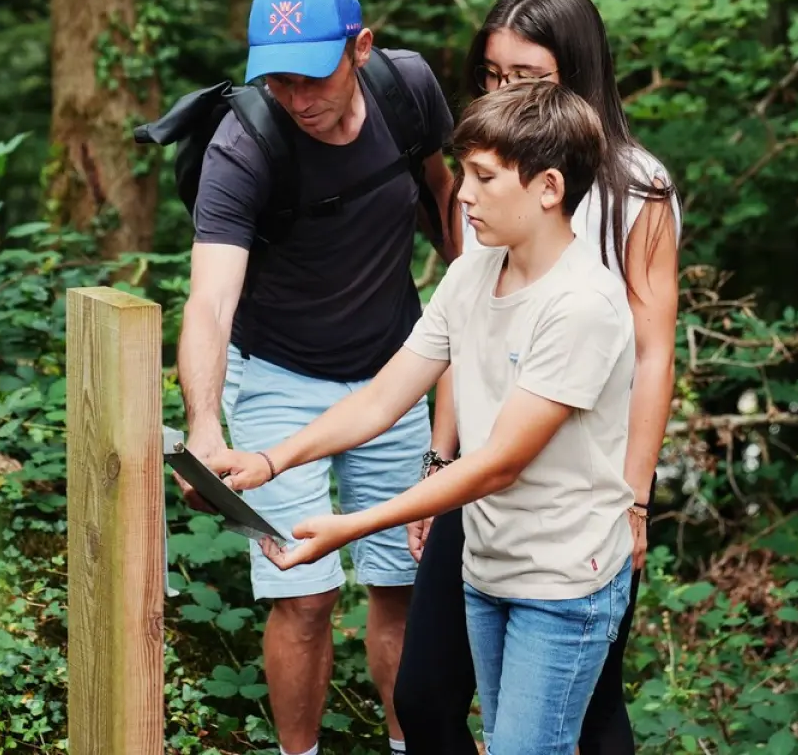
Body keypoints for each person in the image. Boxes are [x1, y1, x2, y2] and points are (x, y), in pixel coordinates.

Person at [222, 80, 640, 755]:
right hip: (489, 566)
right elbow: (384, 396)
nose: (461, 194)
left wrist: (353, 526)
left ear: (548, 187)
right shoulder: (474, 271)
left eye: (483, 177)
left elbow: (499, 462)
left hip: (565, 584)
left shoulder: (582, 304)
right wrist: (271, 459)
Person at [173, 0, 461, 755]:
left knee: (402, 585)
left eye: (311, 78)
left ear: (359, 48)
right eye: (278, 82)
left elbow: (442, 193)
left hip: (395, 368)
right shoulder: (246, 142)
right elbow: (209, 302)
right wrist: (204, 427)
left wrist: (473, 308)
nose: (297, 99)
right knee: (302, 594)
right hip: (278, 376)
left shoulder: (408, 92)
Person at [401, 0, 681, 755]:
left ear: (578, 71)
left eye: (526, 76)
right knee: (423, 697)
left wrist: (635, 498)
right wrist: (437, 459)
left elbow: (654, 353)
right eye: (491, 75)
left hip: (581, 494)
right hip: (481, 471)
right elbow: (464, 328)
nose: (502, 91)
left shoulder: (635, 188)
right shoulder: (483, 176)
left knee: (588, 712)